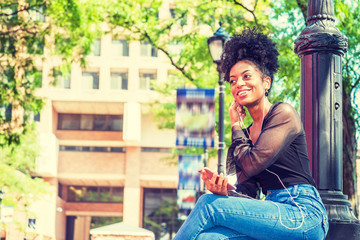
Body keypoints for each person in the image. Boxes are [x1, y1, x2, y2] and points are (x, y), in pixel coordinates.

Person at [172, 27, 329, 240]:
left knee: (207, 206)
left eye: (247, 76)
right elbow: (248, 194)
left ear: (266, 82)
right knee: (207, 238)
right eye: (233, 80)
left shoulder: (283, 113)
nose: (239, 84)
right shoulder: (242, 137)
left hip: (302, 213)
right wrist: (224, 192)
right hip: (271, 214)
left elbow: (251, 164)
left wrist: (235, 124)